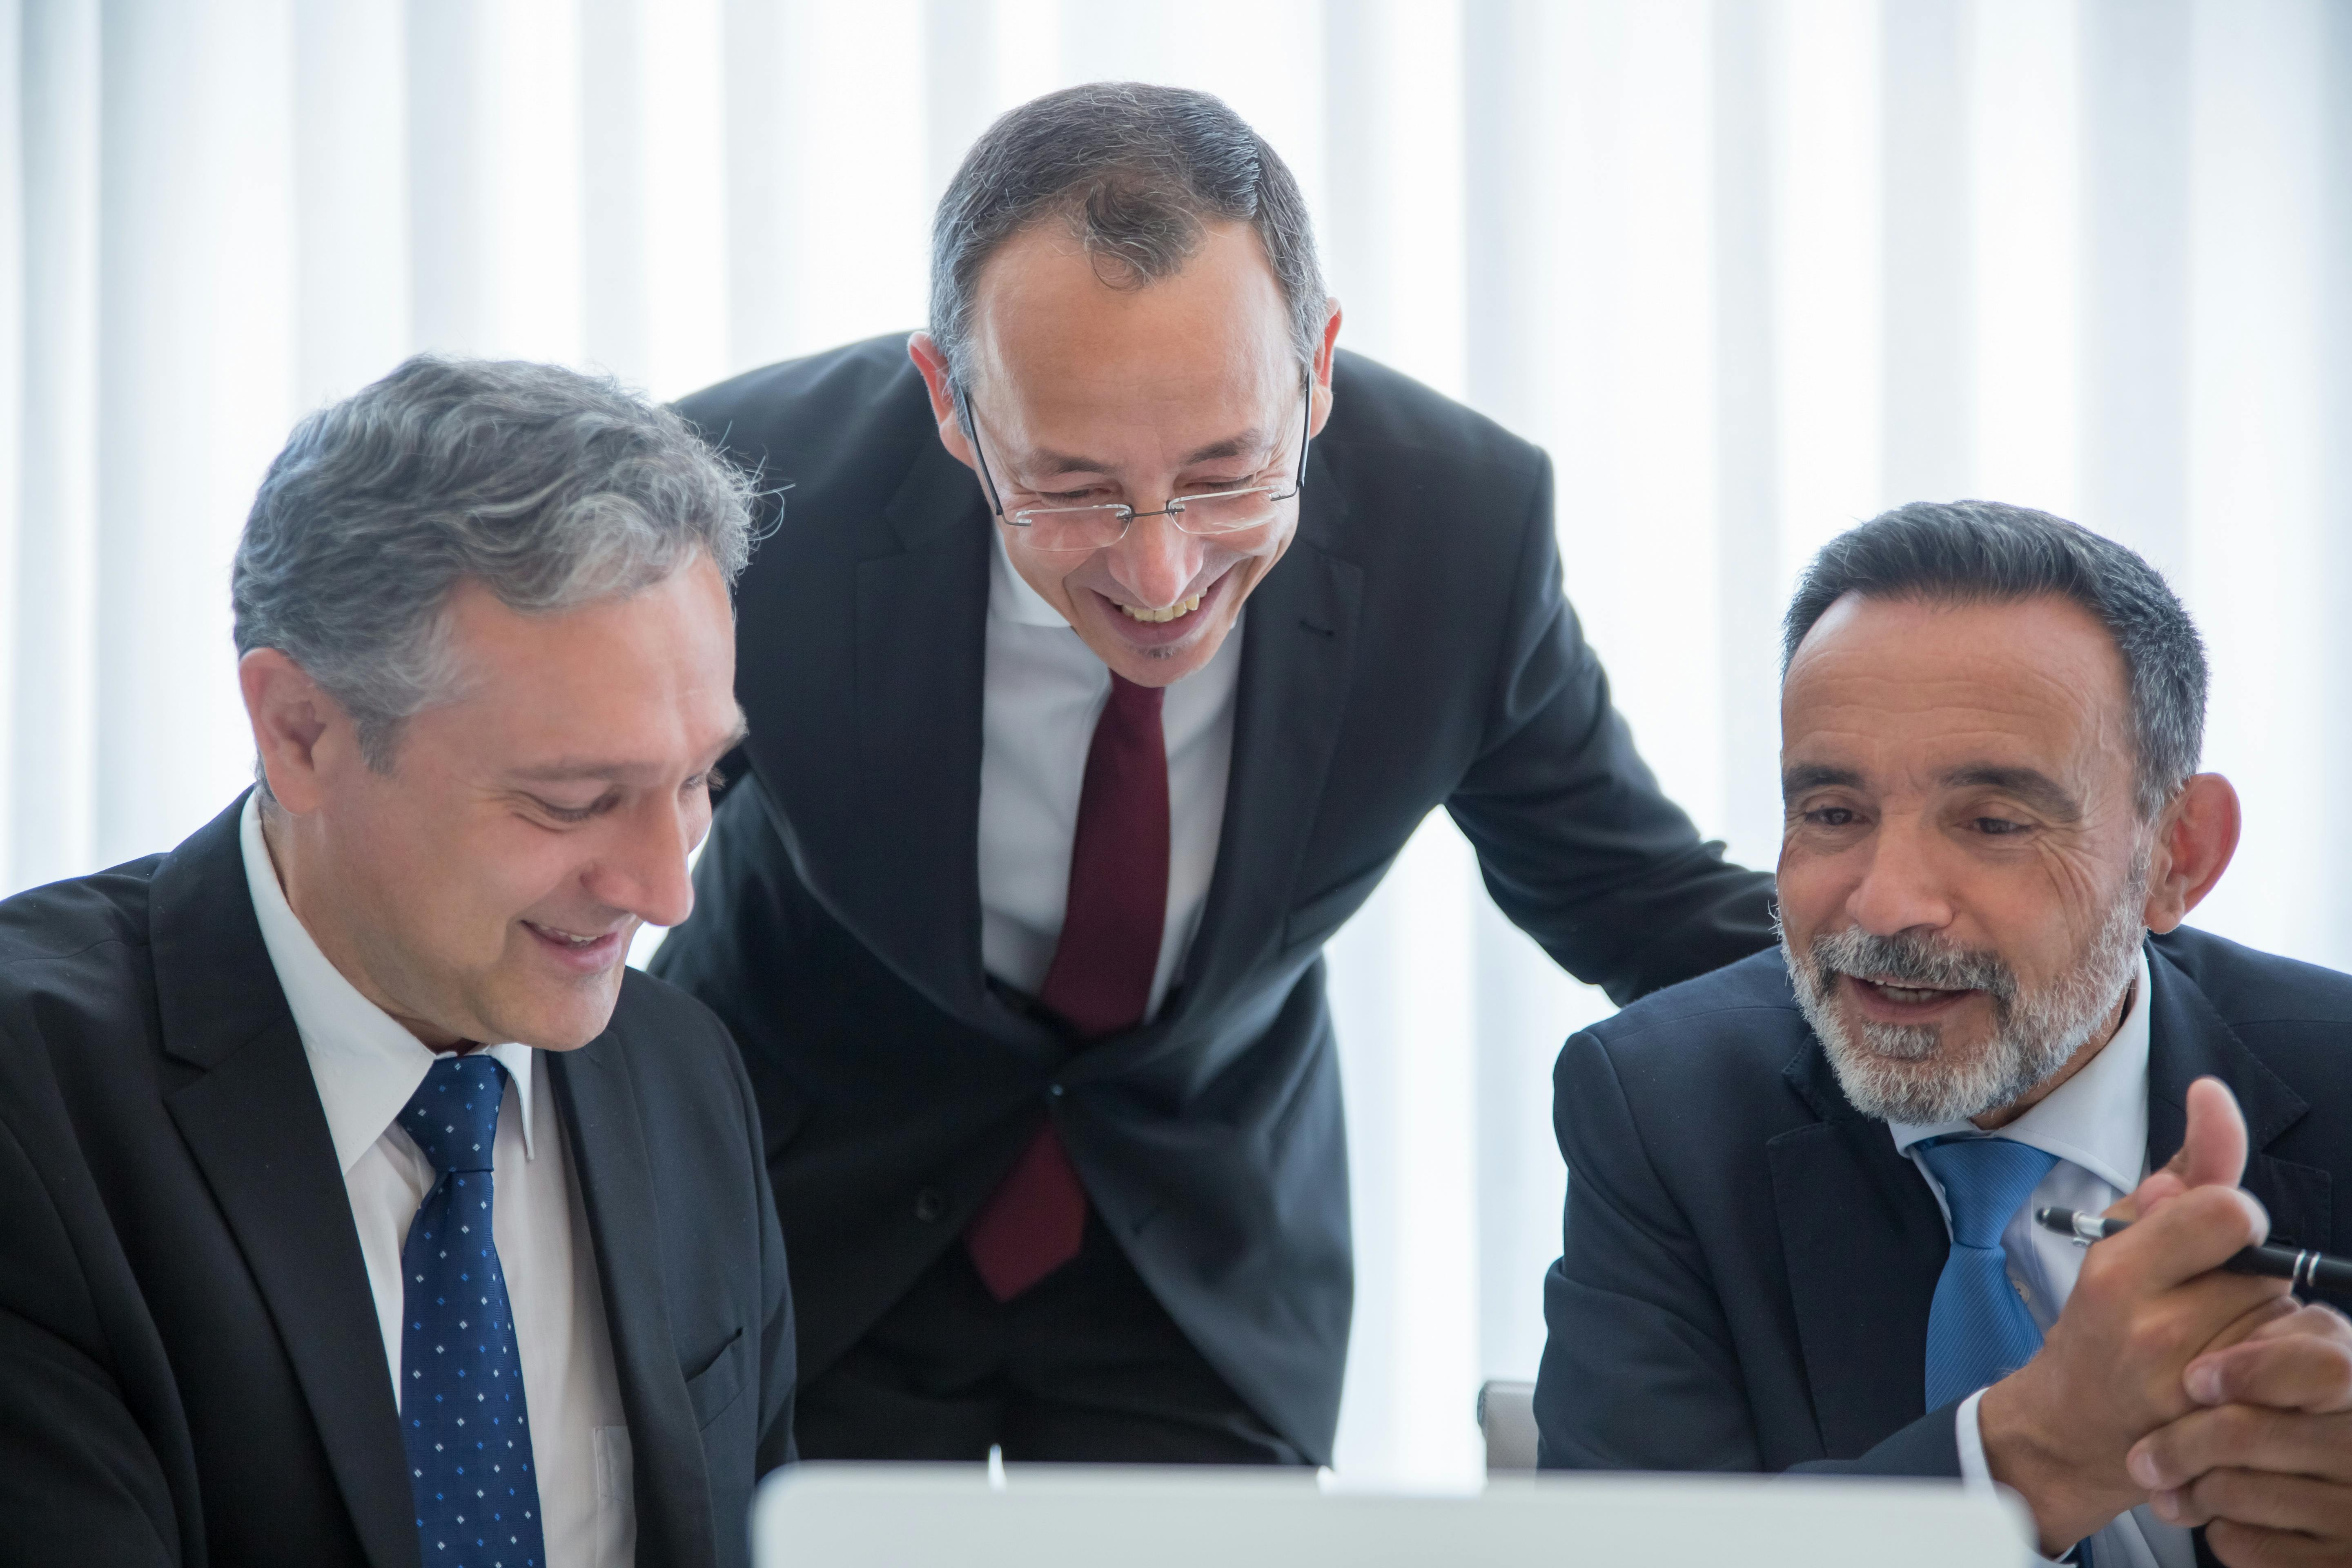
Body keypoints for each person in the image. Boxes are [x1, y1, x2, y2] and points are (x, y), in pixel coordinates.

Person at [650, 81, 1776, 1466]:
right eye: (1070, 487)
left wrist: (2052, 997)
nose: (1160, 572)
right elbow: (579, 834)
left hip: (1201, 1249)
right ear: (951, 401)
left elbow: (1646, 908)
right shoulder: (743, 501)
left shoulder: (1461, 534)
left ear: (1318, 371)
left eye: (1230, 473)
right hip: (796, 1220)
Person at [0, 359, 796, 1568]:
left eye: (698, 782)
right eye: (575, 801)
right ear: (301, 734)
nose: (666, 891)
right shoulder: (32, 1104)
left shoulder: (681, 1073)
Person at [1533, 501, 2352, 1566]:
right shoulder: (1660, 1107)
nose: (1885, 904)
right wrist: (2034, 1455)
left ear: (2177, 855)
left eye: (1993, 824)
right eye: (1832, 812)